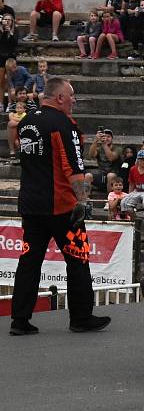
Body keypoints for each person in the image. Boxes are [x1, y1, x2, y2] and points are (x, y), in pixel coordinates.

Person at [10, 77, 111, 335]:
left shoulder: (27, 121)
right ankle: (81, 317)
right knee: (78, 260)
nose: (74, 101)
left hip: (31, 205)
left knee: (29, 262)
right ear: (60, 98)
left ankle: (19, 321)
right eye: (72, 96)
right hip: (62, 207)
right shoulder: (64, 124)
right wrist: (83, 201)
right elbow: (73, 166)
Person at [85, 127, 122, 193]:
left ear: (112, 138)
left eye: (109, 137)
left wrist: (104, 144)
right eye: (105, 136)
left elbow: (111, 158)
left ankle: (110, 199)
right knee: (88, 176)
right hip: (101, 174)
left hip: (113, 176)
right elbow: (91, 155)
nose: (106, 138)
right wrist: (96, 140)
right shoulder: (99, 149)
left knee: (110, 175)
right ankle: (85, 199)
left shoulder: (117, 149)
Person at [0, 14, 17, 103]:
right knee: (1, 82)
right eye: (5, 19)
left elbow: (15, 43)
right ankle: (1, 104)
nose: (7, 21)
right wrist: (3, 32)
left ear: (12, 21)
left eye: (9, 20)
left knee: (10, 82)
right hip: (1, 57)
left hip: (11, 57)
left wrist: (10, 32)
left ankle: (11, 104)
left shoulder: (15, 30)